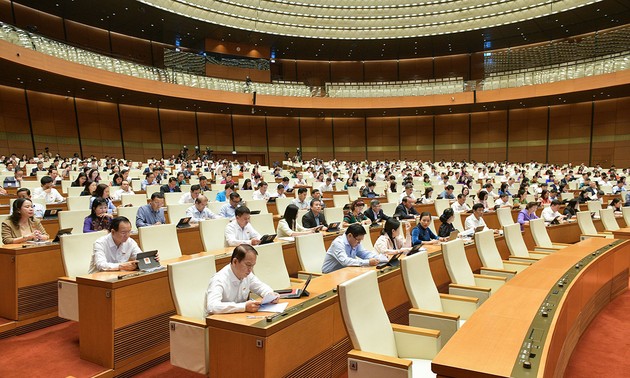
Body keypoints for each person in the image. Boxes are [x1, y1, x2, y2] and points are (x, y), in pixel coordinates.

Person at [205, 244, 279, 315]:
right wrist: (243, 307)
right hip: (217, 323)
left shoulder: (248, 274)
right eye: (248, 265)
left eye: (253, 266)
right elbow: (212, 306)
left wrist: (270, 295)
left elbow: (261, 287)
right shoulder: (219, 279)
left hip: (238, 318)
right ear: (235, 262)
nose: (250, 270)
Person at [321, 224, 388, 273]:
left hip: (346, 271)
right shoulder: (338, 243)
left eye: (360, 240)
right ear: (350, 235)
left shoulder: (355, 241)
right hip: (330, 274)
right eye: (358, 240)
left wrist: (380, 257)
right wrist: (368, 262)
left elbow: (365, 254)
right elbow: (345, 261)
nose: (359, 243)